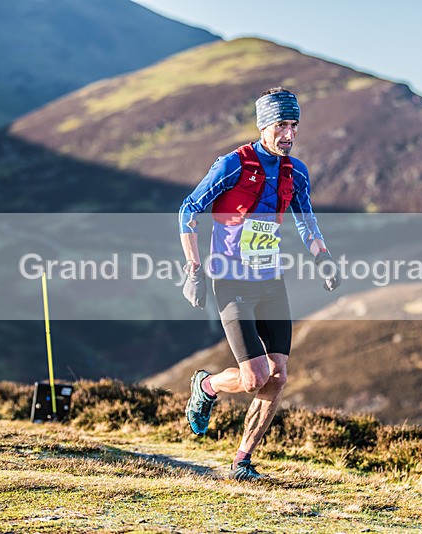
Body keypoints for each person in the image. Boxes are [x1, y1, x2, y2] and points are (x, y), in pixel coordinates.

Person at [178, 87, 340, 481]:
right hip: (231, 282)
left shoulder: (295, 172)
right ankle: (208, 385)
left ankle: (241, 462)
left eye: (294, 126)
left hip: (270, 282)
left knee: (279, 375)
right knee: (252, 378)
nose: (288, 134)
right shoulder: (233, 165)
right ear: (264, 125)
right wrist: (194, 269)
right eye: (281, 125)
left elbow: (306, 221)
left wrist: (323, 257)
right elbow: (188, 210)